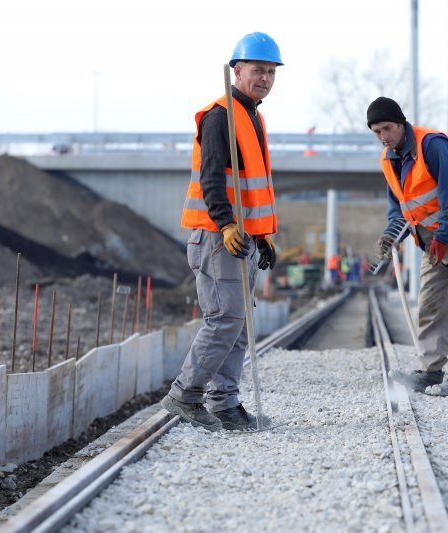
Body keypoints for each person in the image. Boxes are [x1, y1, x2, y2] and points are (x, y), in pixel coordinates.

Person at [161, 32, 282, 431]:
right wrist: (227, 223)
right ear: (237, 70)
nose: (264, 78)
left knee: (239, 320)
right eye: (257, 70)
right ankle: (184, 394)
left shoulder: (252, 116)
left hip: (241, 238)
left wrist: (261, 235)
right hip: (217, 236)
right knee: (225, 317)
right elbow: (212, 178)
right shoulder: (220, 116)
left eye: (270, 71)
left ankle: (225, 404)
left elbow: (249, 187)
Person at [367, 96, 448, 396]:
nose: (383, 137)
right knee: (431, 304)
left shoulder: (433, 146)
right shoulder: (389, 159)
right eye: (376, 132)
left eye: (387, 128)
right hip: (431, 239)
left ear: (401, 123)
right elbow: (398, 205)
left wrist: (444, 236)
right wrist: (391, 235)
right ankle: (431, 371)